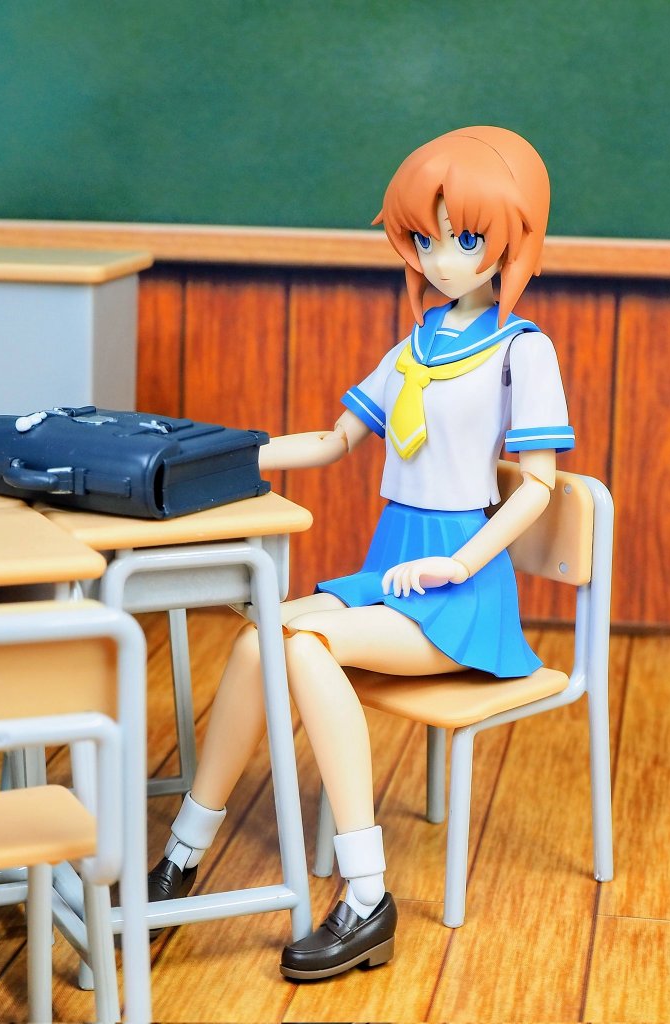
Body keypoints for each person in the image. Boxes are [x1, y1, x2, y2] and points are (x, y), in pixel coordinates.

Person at [147, 126, 574, 981]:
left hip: (458, 591)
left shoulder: (522, 351)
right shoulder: (415, 347)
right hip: (391, 570)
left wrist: (461, 563)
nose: (442, 259)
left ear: (512, 240)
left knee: (304, 643)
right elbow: (333, 439)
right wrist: (210, 456)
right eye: (426, 238)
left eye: (465, 239)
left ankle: (367, 896)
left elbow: (538, 485)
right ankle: (182, 856)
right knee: (258, 640)